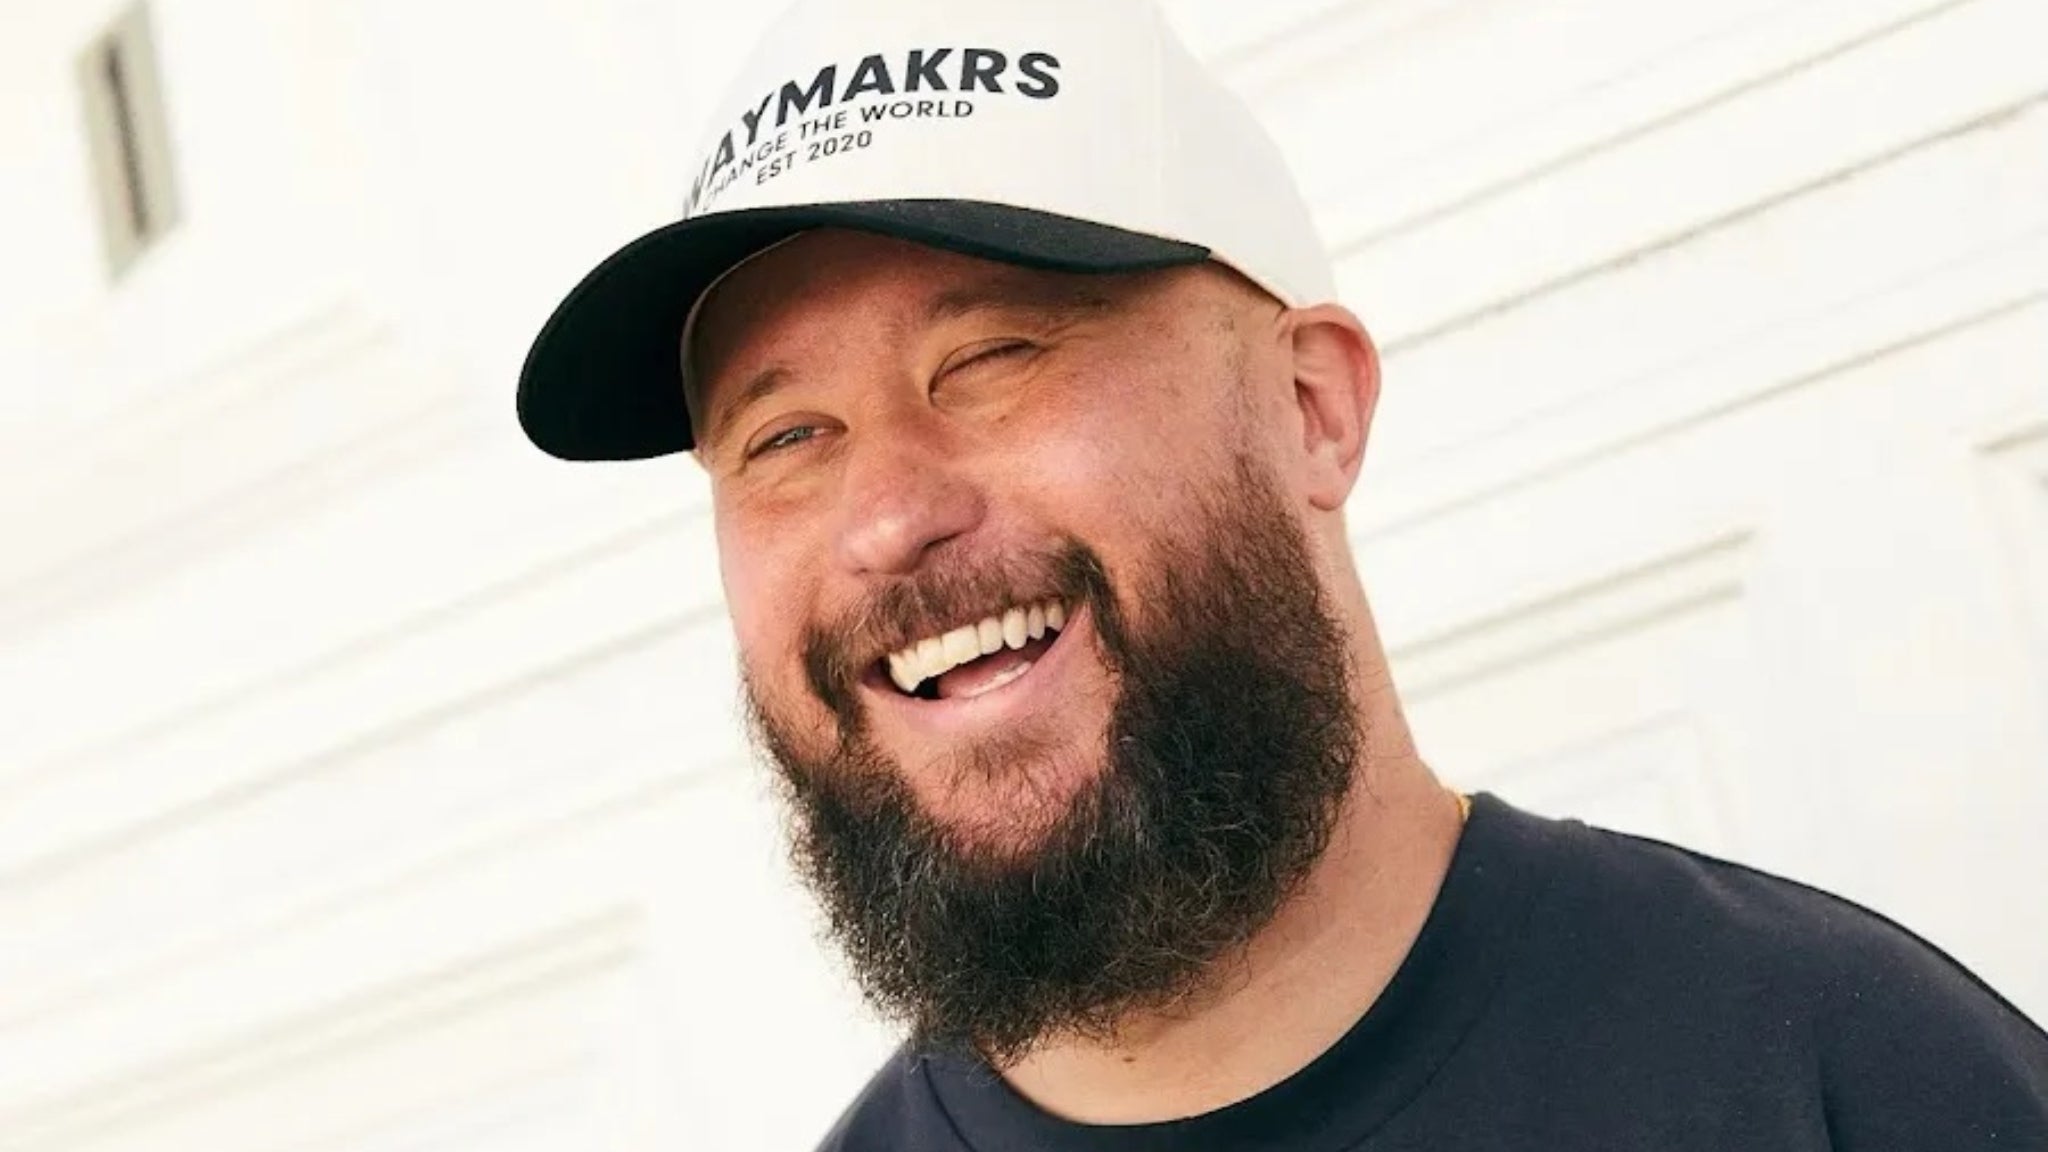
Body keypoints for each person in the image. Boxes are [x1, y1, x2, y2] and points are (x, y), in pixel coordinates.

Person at [515, 0, 2048, 1147]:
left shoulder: (1839, 1076)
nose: (884, 519)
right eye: (784, 437)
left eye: (991, 358)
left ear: (1311, 406)